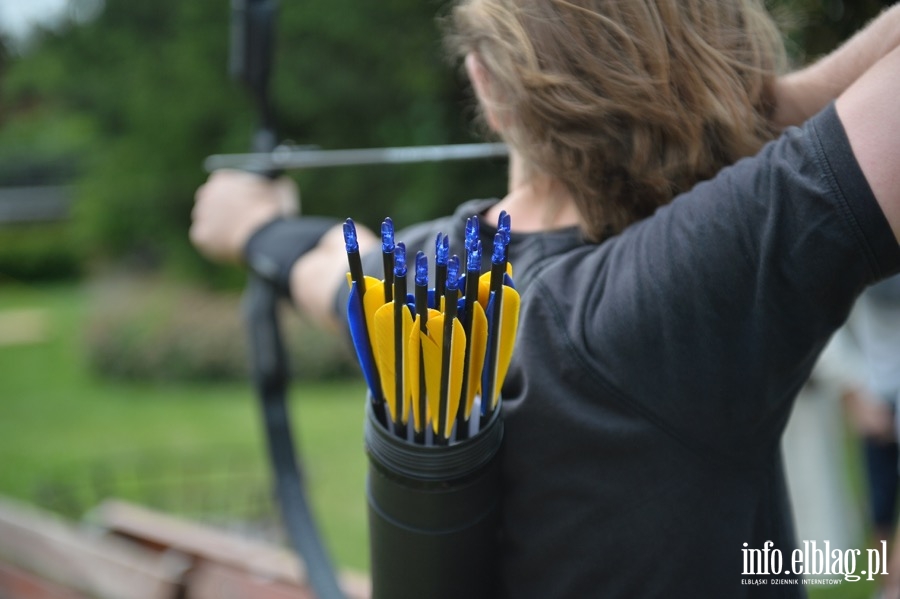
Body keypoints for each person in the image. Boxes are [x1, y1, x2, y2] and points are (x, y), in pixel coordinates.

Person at [191, 1, 900, 596]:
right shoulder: (687, 283)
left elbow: (323, 272)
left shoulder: (422, 293)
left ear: (486, 84)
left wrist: (252, 228)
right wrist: (777, 103)